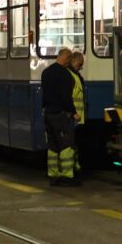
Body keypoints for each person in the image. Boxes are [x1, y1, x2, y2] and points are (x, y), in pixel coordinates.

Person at [40, 47, 78, 186]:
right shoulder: (65, 75)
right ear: (67, 59)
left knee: (52, 147)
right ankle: (67, 177)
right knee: (66, 146)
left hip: (48, 114)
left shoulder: (46, 72)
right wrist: (74, 112)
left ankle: (53, 175)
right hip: (60, 115)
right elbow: (66, 98)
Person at [68, 51, 86, 180]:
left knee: (75, 144)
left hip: (76, 117)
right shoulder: (70, 76)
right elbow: (67, 97)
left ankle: (74, 167)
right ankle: (70, 170)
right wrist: (73, 113)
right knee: (70, 144)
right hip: (71, 117)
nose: (81, 67)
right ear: (74, 61)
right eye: (80, 64)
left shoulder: (75, 75)